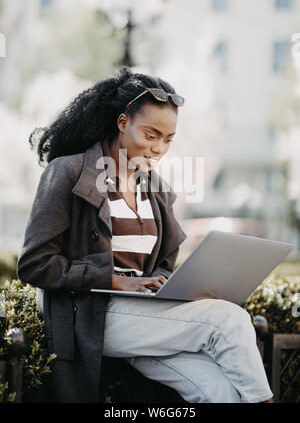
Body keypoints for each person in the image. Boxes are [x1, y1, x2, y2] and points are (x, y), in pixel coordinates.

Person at [17, 66, 274, 403]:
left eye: (167, 139)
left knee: (219, 391)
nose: (158, 149)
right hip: (93, 316)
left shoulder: (156, 189)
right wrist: (113, 280)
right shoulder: (67, 172)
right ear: (123, 123)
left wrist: (171, 285)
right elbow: (35, 264)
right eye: (150, 135)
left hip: (146, 317)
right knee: (227, 320)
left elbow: (162, 265)